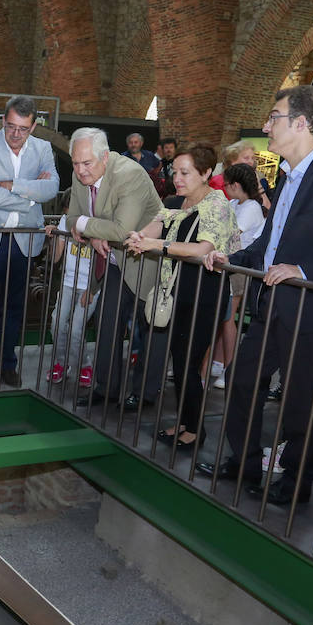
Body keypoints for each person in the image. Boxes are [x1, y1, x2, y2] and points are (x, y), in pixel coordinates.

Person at [198, 85, 313, 506]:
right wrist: (234, 256)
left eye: (274, 117)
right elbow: (272, 243)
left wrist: (305, 271)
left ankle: (298, 479)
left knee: (301, 395)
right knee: (244, 380)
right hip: (273, 304)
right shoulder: (287, 176)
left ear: (300, 123)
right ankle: (244, 461)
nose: (267, 126)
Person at [124, 143, 240, 449]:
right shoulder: (178, 201)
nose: (177, 178)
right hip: (176, 292)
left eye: (185, 172)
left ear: (205, 173)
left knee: (189, 364)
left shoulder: (217, 206)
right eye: (175, 171)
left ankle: (196, 430)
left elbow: (203, 248)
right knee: (180, 361)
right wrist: (140, 236)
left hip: (204, 293)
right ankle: (187, 421)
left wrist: (155, 246)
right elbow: (156, 224)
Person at [64, 128, 164, 405]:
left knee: (150, 330)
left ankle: (145, 395)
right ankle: (106, 390)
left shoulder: (128, 174)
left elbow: (120, 230)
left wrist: (87, 228)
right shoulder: (79, 173)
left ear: (105, 158)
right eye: (75, 163)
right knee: (108, 323)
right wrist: (92, 231)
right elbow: (71, 216)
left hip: (147, 261)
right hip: (115, 261)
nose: (80, 171)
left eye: (87, 163)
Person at [0, 96, 58, 387]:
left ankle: (8, 366)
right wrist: (31, 199)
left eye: (24, 129)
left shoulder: (43, 149)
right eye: (11, 126)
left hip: (24, 241)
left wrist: (15, 186)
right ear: (3, 121)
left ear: (33, 126)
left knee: (14, 309)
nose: (16, 134)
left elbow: (52, 188)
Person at [44, 130, 111, 386]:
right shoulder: (65, 219)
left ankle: (84, 365)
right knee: (56, 324)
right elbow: (56, 259)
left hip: (88, 284)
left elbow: (102, 256)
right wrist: (55, 237)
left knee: (75, 329)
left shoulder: (96, 220)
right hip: (69, 282)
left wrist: (93, 289)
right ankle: (61, 362)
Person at [206, 161, 268, 389]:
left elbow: (231, 234)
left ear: (236, 184)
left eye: (227, 184)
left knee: (227, 318)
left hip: (238, 269)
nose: (225, 187)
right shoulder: (234, 202)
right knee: (224, 318)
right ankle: (219, 361)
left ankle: (228, 367)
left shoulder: (251, 206)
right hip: (228, 264)